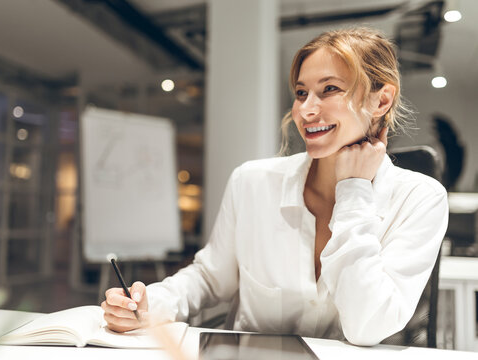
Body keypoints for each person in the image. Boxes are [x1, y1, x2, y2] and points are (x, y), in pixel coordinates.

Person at [101, 27, 448, 346]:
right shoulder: (251, 182)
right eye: (301, 93)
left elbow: (366, 326)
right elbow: (209, 279)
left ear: (381, 101)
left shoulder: (420, 199)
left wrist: (354, 190)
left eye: (329, 89)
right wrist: (149, 304)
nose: (306, 110)